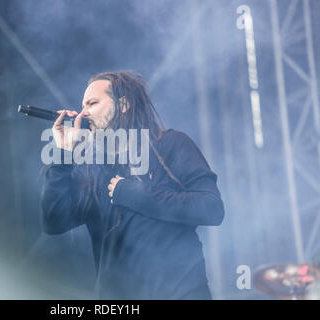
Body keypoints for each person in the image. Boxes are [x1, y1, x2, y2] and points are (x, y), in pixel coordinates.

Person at [40, 71, 225, 299]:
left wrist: (131, 192)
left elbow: (212, 209)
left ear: (123, 104)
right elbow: (54, 221)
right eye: (82, 105)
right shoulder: (90, 166)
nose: (83, 112)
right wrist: (63, 154)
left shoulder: (170, 144)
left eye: (92, 103)